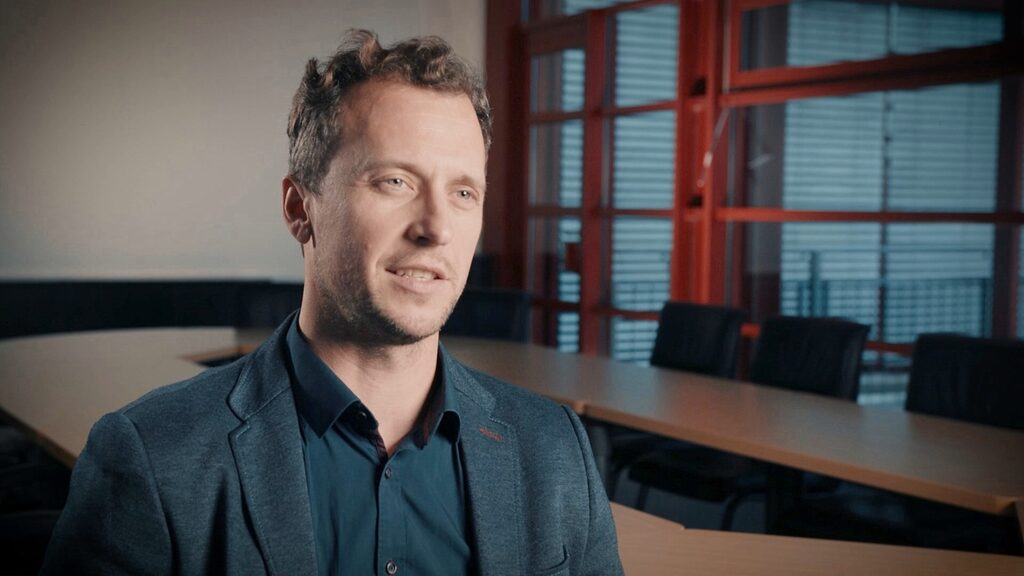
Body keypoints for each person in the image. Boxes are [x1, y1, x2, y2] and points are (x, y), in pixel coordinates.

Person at [41, 30, 623, 575]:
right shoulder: (152, 458)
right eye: (396, 182)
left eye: (463, 192)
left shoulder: (554, 449)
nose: (437, 227)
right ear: (300, 209)